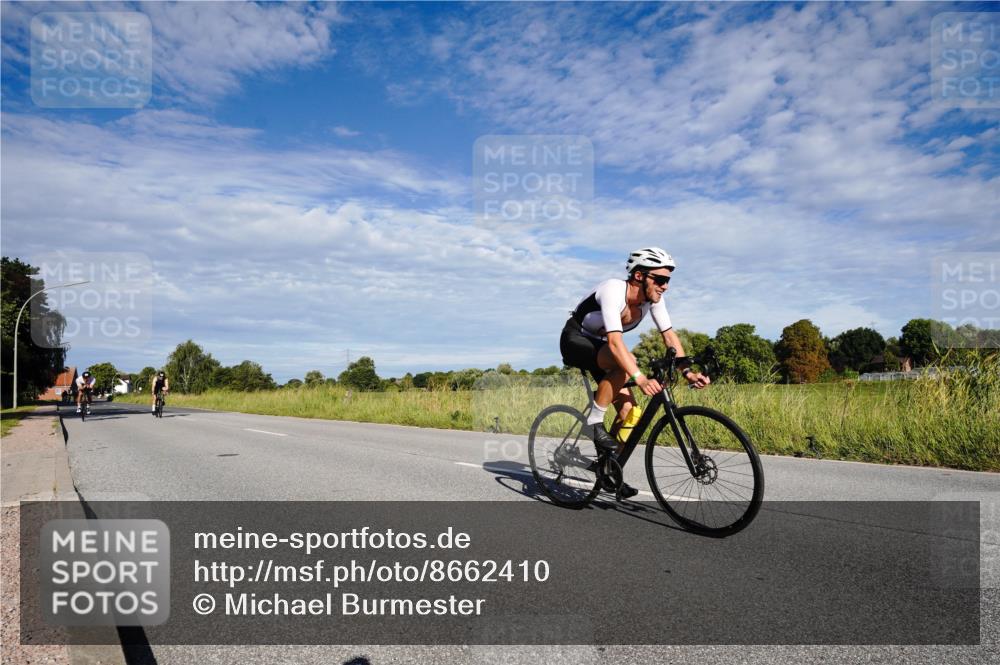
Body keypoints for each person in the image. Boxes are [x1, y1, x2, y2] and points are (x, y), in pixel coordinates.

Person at [560, 247, 711, 498]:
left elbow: (669, 336)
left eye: (668, 281)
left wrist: (687, 372)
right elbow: (617, 344)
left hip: (603, 349)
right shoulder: (613, 290)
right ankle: (594, 422)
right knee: (624, 361)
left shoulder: (653, 301)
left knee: (631, 413)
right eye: (660, 280)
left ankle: (608, 469)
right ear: (640, 276)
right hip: (576, 340)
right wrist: (639, 377)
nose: (665, 286)